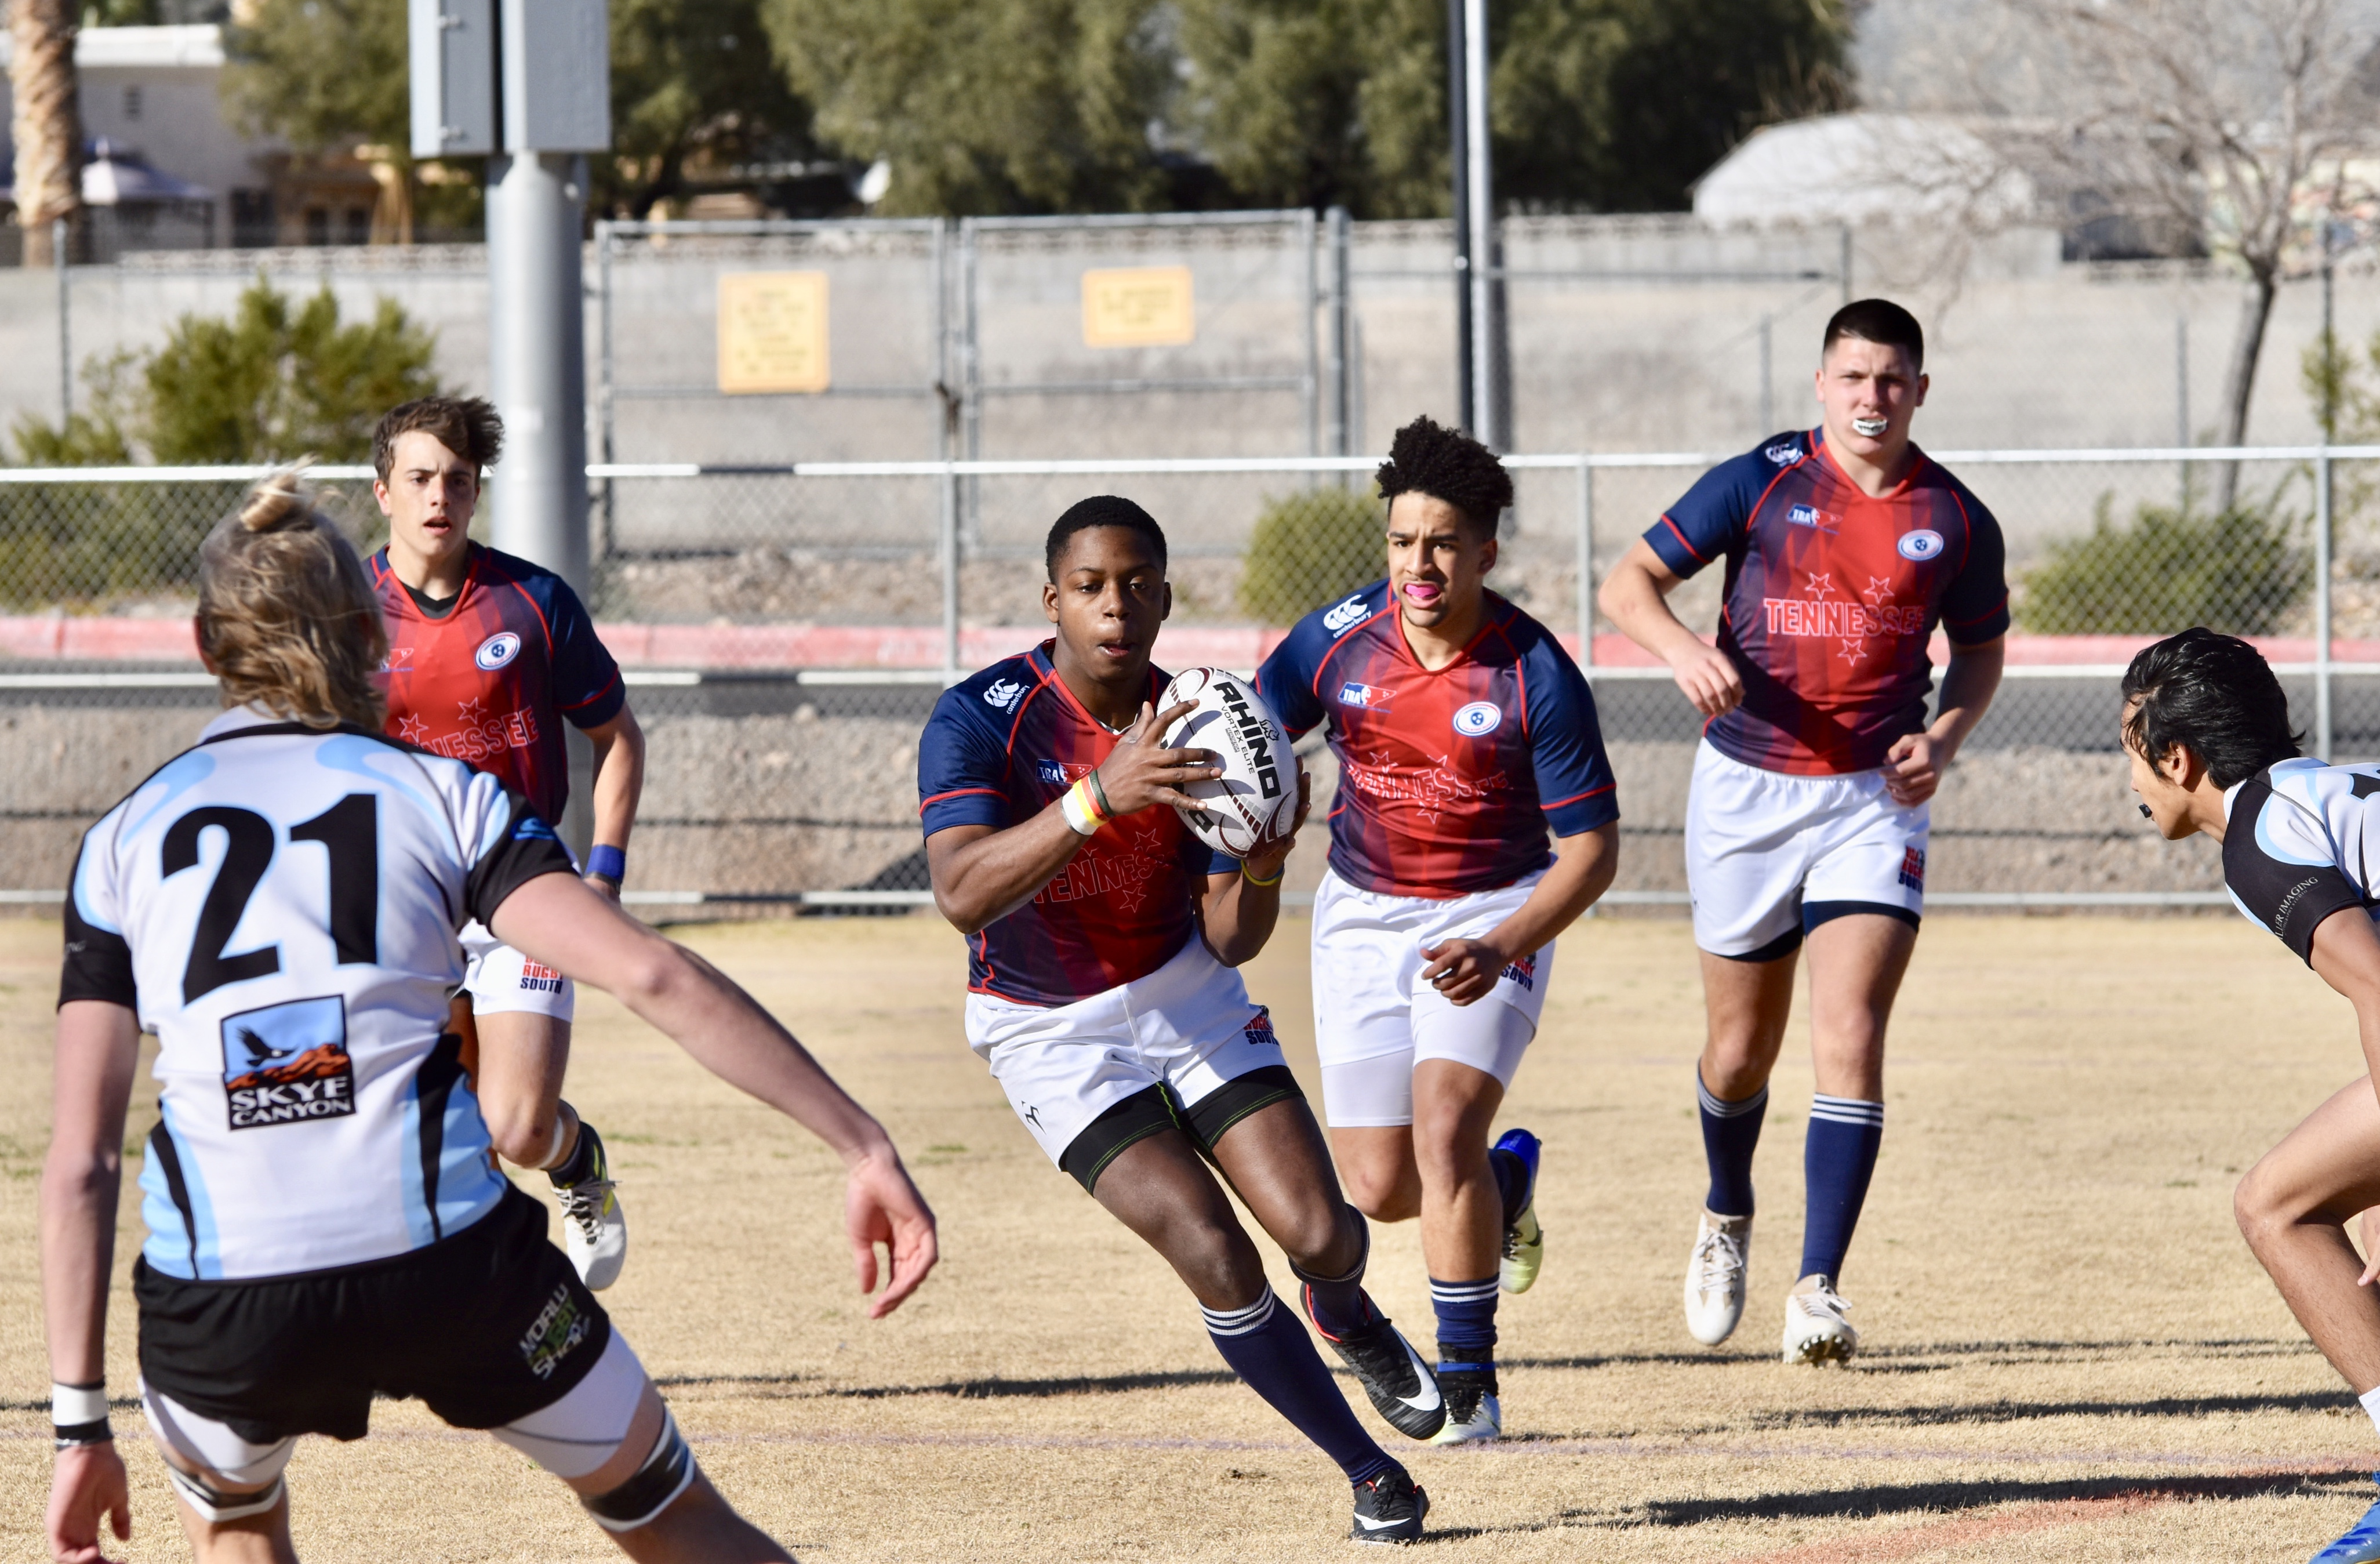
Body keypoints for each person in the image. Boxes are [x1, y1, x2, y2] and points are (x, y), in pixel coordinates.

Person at [42, 473, 936, 1564]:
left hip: (223, 1296)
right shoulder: (441, 797)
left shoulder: (122, 842)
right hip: (450, 1262)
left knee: (234, 1524)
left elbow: (81, 1160)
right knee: (670, 1514)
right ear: (369, 632)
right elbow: (651, 974)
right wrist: (862, 1141)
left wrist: (79, 1423)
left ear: (199, 640)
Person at [918, 496, 1431, 1544]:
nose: (1116, 605)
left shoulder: (1207, 719)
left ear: (1165, 593)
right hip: (1045, 1025)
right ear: (1050, 597)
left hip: (1182, 987)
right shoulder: (978, 716)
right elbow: (964, 892)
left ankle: (1344, 1312)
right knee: (1214, 1250)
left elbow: (1233, 937)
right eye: (1092, 586)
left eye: (1138, 583)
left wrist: (1265, 856)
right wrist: (1095, 797)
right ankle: (1368, 1469)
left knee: (1324, 1234)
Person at [1597, 299, 2008, 1365]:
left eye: (1891, 379)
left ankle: (1817, 1287)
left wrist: (1947, 736)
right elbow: (1626, 584)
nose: (1871, 398)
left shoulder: (1955, 518)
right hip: (1744, 794)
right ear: (1820, 386)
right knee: (1738, 1054)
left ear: (1921, 390)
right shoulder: (1761, 479)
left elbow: (1977, 653)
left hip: (1874, 800)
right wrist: (1685, 650)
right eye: (1853, 377)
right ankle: (1726, 1207)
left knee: (1851, 1035)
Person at [1253, 416, 1620, 1443]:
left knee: (1445, 1122)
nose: (1419, 564)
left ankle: (1470, 1390)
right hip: (1360, 916)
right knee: (1376, 1187)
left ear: (1485, 552)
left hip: (1491, 914)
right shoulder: (1333, 641)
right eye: (1403, 541)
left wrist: (1504, 942)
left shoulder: (1533, 671)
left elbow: (1593, 852)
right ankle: (1506, 1185)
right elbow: (1247, 734)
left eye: (1444, 543)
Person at [369, 396, 647, 1289]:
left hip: (522, 895)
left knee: (517, 1128)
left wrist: (601, 873)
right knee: (418, 1134)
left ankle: (573, 1158)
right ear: (382, 492)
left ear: (477, 490)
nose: (436, 496)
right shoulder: (345, 616)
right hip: (402, 905)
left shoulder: (532, 602)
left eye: (455, 479)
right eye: (418, 478)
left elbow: (619, 737)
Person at [2119, 627, 2380, 1564]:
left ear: (2177, 758)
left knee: (2276, 1205)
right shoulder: (2322, 789)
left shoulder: (2260, 836)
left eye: (2132, 756)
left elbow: (2378, 986)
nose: (2134, 784)